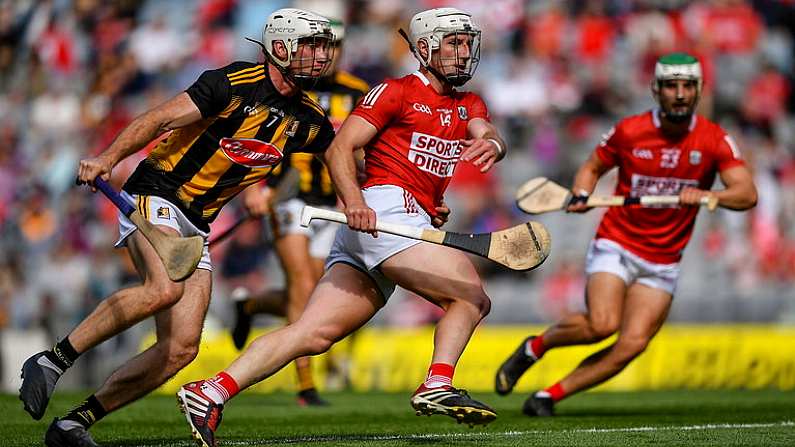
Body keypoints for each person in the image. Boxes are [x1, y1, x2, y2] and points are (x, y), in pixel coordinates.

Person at [177, 7, 508, 446]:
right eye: (454, 43)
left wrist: (495, 145)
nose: (464, 52)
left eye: (467, 43)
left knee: (312, 334)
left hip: (402, 221)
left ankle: (210, 390)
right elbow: (339, 150)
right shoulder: (394, 92)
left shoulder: (470, 102)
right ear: (425, 48)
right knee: (471, 296)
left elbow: (485, 130)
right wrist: (354, 201)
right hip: (383, 214)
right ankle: (437, 383)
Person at [19, 8, 336, 446]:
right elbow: (159, 119)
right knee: (164, 288)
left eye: (324, 48)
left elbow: (343, 158)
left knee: (183, 348)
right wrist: (107, 158)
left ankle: (73, 424)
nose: (321, 57)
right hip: (157, 192)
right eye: (311, 47)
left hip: (198, 224)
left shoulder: (308, 118)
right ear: (280, 48)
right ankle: (52, 360)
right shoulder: (229, 83)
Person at [494, 53, 758, 417]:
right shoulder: (630, 131)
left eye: (687, 86)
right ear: (656, 90)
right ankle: (535, 347)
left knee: (632, 343)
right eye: (671, 86)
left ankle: (549, 396)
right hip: (617, 242)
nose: (679, 94)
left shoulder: (714, 140)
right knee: (602, 324)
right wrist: (583, 194)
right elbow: (592, 167)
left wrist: (711, 195)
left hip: (664, 259)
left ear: (698, 91)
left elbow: (746, 193)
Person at [231, 18, 369, 407]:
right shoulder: (290, 87)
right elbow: (263, 139)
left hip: (332, 205)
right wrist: (259, 188)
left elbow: (363, 150)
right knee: (302, 285)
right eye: (319, 46)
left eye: (334, 46)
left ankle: (252, 305)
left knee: (314, 293)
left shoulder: (357, 92)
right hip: (290, 196)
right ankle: (305, 385)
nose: (327, 54)